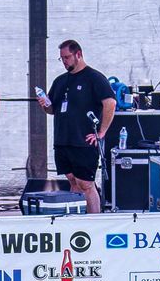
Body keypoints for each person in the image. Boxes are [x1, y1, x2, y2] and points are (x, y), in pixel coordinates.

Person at [36, 39, 116, 213]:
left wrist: (101, 132)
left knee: (86, 183)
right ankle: (77, 218)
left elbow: (110, 103)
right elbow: (53, 109)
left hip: (83, 140)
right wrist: (45, 104)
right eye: (61, 59)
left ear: (78, 54)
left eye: (67, 57)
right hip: (63, 139)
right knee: (72, 180)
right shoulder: (60, 81)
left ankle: (94, 220)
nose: (64, 61)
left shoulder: (94, 78)